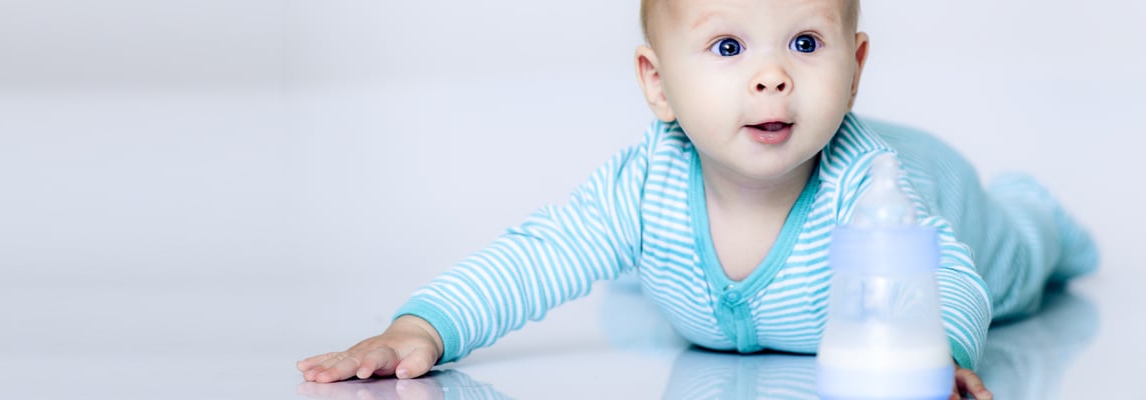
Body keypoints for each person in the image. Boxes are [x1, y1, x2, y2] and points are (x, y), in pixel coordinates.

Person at [297, 1, 1098, 398]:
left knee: (1018, 257)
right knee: (613, 257)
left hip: (952, 201)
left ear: (855, 70)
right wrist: (422, 327)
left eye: (805, 43)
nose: (772, 76)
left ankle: (1036, 213)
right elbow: (539, 253)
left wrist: (939, 355)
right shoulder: (646, 185)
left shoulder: (866, 187)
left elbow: (946, 278)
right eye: (727, 46)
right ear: (658, 85)